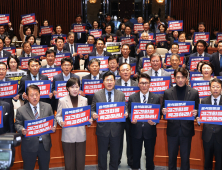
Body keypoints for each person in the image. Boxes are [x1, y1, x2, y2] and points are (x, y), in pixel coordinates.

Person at [162, 67, 199, 170]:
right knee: (172, 158)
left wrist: (196, 112)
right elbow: (163, 109)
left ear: (186, 78)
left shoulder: (194, 92)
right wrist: (163, 111)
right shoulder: (168, 92)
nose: (180, 80)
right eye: (178, 77)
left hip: (186, 131)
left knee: (185, 158)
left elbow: (197, 110)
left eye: (183, 77)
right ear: (174, 78)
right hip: (172, 130)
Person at [91, 71, 128, 170]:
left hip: (117, 130)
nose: (109, 82)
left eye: (111, 80)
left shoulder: (121, 95)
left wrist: (126, 113)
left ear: (114, 81)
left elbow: (125, 107)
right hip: (102, 129)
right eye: (107, 80)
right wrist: (93, 114)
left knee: (115, 155)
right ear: (103, 82)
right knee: (102, 154)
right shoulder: (97, 94)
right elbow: (92, 109)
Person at [15, 85, 56, 170]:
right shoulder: (21, 110)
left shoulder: (47, 107)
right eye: (31, 95)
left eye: (36, 94)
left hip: (44, 144)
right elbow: (17, 124)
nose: (34, 97)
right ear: (26, 96)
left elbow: (53, 120)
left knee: (44, 167)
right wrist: (21, 130)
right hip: (29, 145)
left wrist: (54, 126)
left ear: (40, 95)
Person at [56, 77, 92, 170]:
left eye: (77, 87)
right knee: (69, 162)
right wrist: (61, 121)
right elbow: (58, 116)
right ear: (67, 88)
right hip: (68, 134)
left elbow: (86, 116)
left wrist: (89, 121)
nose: (75, 89)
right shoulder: (62, 100)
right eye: (72, 87)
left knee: (80, 161)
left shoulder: (84, 100)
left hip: (80, 134)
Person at [128, 73, 160, 170]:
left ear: (150, 84)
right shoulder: (132, 97)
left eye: (146, 83)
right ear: (138, 84)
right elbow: (129, 112)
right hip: (136, 131)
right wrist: (131, 119)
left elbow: (157, 114)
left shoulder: (156, 97)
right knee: (136, 155)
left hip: (150, 131)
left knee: (150, 155)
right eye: (141, 83)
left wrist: (154, 122)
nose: (144, 85)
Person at [197, 78, 222, 170]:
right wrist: (198, 120)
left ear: (221, 88)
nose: (215, 89)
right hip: (207, 136)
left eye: (218, 87)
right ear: (210, 88)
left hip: (220, 136)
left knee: (220, 161)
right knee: (207, 161)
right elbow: (201, 119)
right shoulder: (204, 101)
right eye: (213, 87)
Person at [115, 63, 138, 167]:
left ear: (131, 71)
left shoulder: (137, 84)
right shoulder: (114, 84)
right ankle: (116, 160)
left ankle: (131, 161)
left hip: (132, 117)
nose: (125, 72)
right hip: (118, 117)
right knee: (117, 140)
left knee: (131, 140)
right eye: (123, 70)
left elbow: (137, 101)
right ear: (119, 72)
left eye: (127, 70)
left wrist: (129, 112)